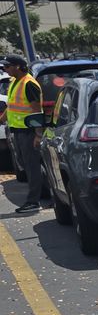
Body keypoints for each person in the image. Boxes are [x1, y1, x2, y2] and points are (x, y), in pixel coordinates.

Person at [3, 55, 47, 212]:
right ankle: (39, 193)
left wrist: (38, 135)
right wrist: (2, 118)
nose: (5, 69)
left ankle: (33, 201)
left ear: (18, 66)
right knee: (25, 164)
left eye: (8, 66)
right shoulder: (15, 81)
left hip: (28, 132)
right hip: (18, 131)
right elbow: (12, 105)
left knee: (32, 166)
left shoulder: (29, 83)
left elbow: (37, 110)